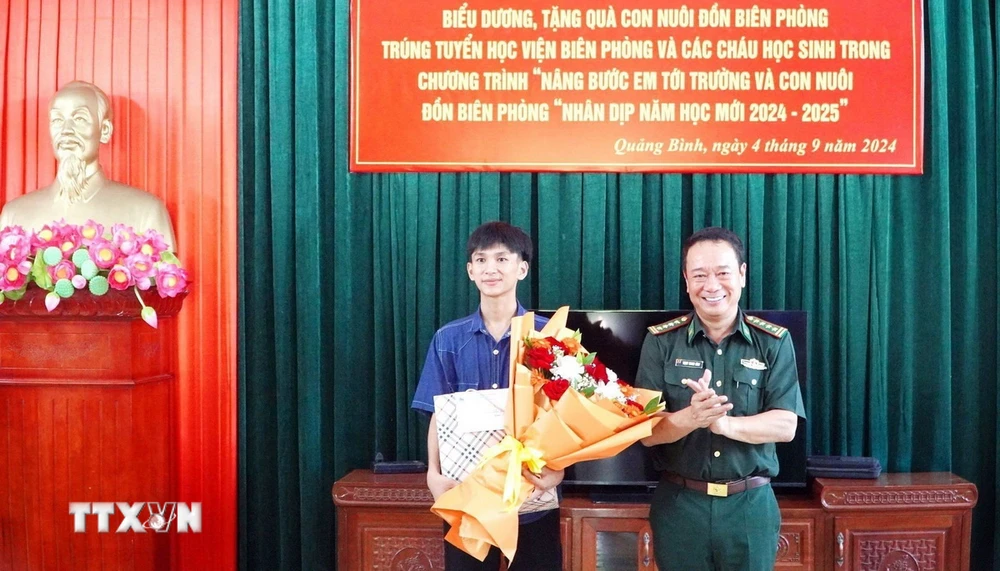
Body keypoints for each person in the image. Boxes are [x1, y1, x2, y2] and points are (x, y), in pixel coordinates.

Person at [637, 226, 805, 570]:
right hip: (680, 506)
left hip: (749, 507)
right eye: (699, 275)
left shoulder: (773, 342)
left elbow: (786, 425)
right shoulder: (661, 342)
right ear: (686, 280)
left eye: (723, 273)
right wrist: (691, 418)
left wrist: (723, 424)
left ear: (742, 275)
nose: (711, 286)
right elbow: (646, 432)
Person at [411, 221, 563, 570]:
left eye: (501, 259)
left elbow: (565, 416)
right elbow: (438, 412)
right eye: (480, 260)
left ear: (522, 268)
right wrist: (433, 474)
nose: (490, 269)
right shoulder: (448, 339)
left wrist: (558, 471)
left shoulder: (550, 335)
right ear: (470, 270)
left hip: (532, 496)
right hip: (469, 498)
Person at [0, 81, 177, 249]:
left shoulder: (146, 212)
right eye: (57, 120)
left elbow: (164, 273)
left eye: (79, 119)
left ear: (105, 130)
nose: (66, 130)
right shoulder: (14, 215)